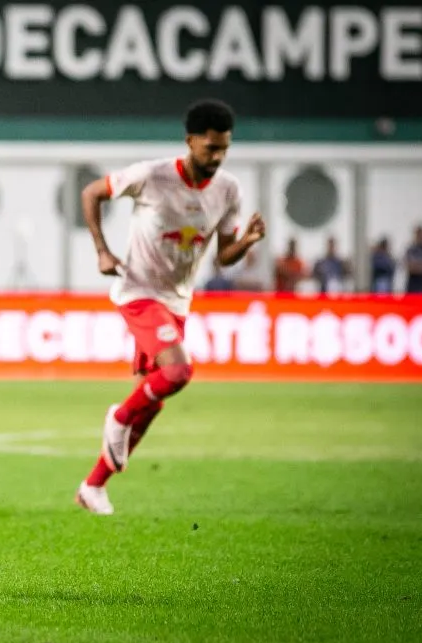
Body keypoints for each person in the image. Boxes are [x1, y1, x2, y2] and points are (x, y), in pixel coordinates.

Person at [74, 99, 266, 515]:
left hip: (177, 300)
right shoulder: (152, 175)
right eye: (209, 148)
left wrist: (246, 242)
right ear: (190, 141)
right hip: (138, 291)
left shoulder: (229, 189)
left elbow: (223, 256)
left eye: (223, 150)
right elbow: (92, 192)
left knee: (155, 399)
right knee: (179, 372)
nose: (216, 157)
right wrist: (102, 252)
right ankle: (119, 418)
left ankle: (93, 486)